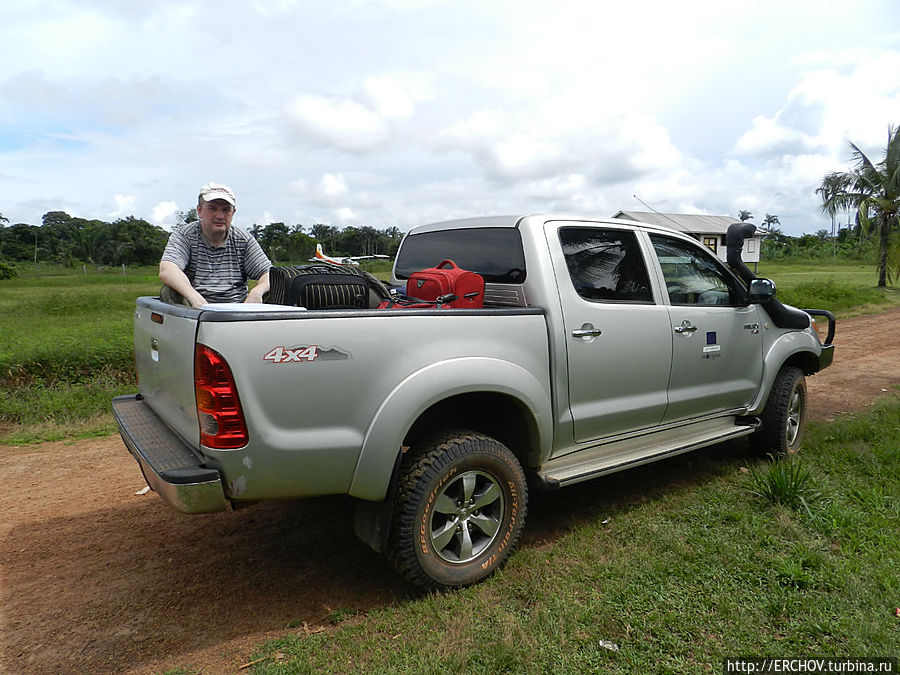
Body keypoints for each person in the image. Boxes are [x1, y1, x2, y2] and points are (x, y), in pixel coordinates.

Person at [159, 182, 272, 306]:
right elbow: (167, 269)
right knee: (168, 291)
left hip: (237, 308)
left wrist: (257, 292)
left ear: (233, 212)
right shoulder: (184, 235)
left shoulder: (243, 240)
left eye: (226, 210)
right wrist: (193, 296)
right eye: (212, 208)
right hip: (195, 309)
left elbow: (270, 274)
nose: (219, 216)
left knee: (275, 290)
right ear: (200, 211)